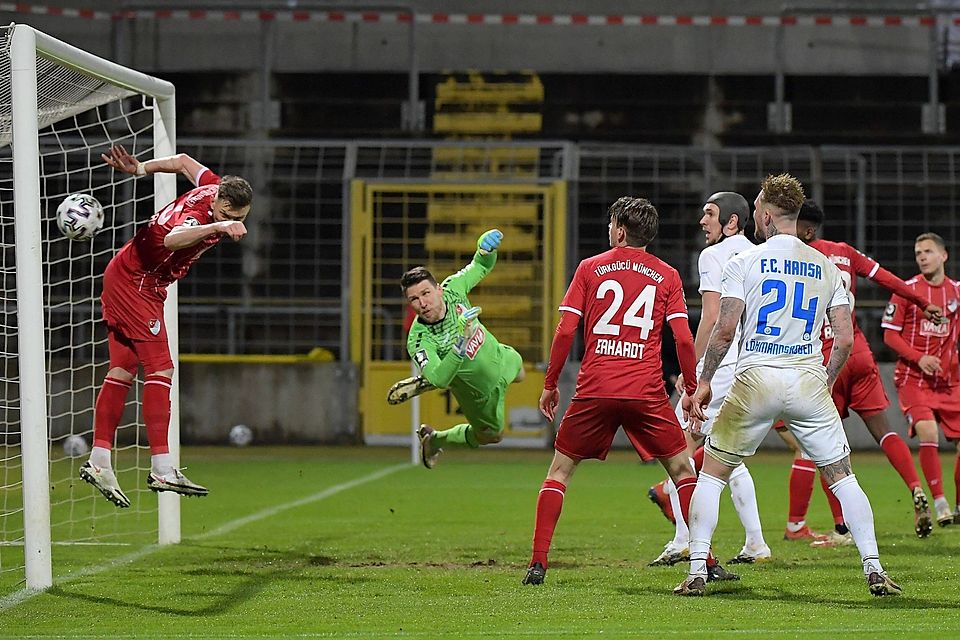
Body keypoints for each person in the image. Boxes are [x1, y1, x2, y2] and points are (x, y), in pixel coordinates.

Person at [677, 173, 900, 597]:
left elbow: (724, 332)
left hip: (757, 376)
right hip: (806, 380)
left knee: (711, 476)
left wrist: (703, 381)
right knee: (842, 477)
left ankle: (696, 571)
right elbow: (846, 338)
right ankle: (873, 567)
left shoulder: (744, 262)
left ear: (763, 214)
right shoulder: (825, 266)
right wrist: (826, 380)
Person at [522, 196, 739, 586]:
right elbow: (684, 340)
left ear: (620, 230)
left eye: (611, 224)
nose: (609, 229)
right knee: (682, 471)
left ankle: (538, 563)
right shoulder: (667, 275)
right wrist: (691, 389)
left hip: (595, 389)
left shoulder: (590, 268)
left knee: (559, 472)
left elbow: (565, 331)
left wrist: (551, 384)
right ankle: (705, 560)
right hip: (645, 391)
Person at [79, 145, 253, 507]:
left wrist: (142, 168)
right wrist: (218, 224)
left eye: (239, 214)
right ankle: (161, 467)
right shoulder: (198, 213)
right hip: (137, 282)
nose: (232, 217)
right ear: (218, 201)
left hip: (129, 273)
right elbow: (174, 238)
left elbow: (185, 162)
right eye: (226, 210)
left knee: (123, 370)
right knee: (161, 367)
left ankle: (99, 460)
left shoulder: (214, 185)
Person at [778, 200, 938, 544]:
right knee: (883, 431)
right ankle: (915, 487)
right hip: (859, 353)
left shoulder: (796, 258)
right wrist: (922, 302)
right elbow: (889, 280)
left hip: (823, 358)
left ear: (805, 229)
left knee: (817, 444)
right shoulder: (845, 252)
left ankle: (833, 524)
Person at [648, 192, 770, 568]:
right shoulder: (758, 255)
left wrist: (694, 368)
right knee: (728, 455)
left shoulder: (714, 255)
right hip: (752, 365)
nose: (702, 221)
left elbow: (713, 314)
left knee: (676, 449)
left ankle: (684, 538)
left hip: (720, 365)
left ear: (731, 222)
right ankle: (756, 544)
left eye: (710, 214)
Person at [403, 229, 526, 468]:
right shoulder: (419, 339)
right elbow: (439, 379)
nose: (422, 303)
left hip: (502, 357)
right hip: (480, 396)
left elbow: (479, 266)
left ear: (438, 289)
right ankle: (435, 440)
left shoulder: (453, 289)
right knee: (492, 436)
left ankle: (438, 377)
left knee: (521, 373)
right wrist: (462, 341)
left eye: (426, 293)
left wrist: (485, 250)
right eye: (414, 299)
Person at [882, 232, 960, 527]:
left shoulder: (956, 292)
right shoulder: (906, 291)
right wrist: (919, 357)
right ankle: (939, 503)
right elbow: (889, 334)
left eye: (928, 251)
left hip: (949, 382)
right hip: (914, 378)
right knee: (929, 432)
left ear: (944, 255)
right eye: (918, 253)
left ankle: (959, 504)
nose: (922, 257)